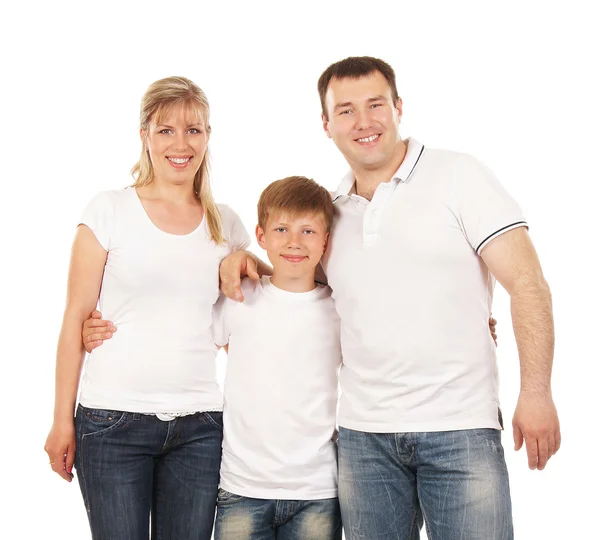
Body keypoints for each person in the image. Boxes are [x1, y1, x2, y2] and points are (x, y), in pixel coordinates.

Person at [218, 56, 561, 539]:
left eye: (376, 104)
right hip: (364, 439)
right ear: (327, 124)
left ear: (399, 107)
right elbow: (297, 283)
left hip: (459, 427)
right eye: (346, 110)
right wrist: (240, 261)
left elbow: (528, 284)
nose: (364, 122)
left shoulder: (459, 177)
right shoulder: (331, 214)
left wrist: (537, 393)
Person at [43, 76, 251, 540]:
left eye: (194, 130)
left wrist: (246, 257)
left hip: (199, 426)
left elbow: (253, 313)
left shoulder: (227, 225)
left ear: (208, 137)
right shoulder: (109, 210)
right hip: (111, 422)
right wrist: (61, 421)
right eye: (166, 130)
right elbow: (74, 319)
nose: (181, 144)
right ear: (144, 137)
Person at [211, 175, 342, 540]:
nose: (294, 242)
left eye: (308, 231)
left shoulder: (339, 309)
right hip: (242, 487)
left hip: (316, 490)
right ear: (261, 235)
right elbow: (187, 341)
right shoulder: (240, 297)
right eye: (282, 229)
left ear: (326, 241)